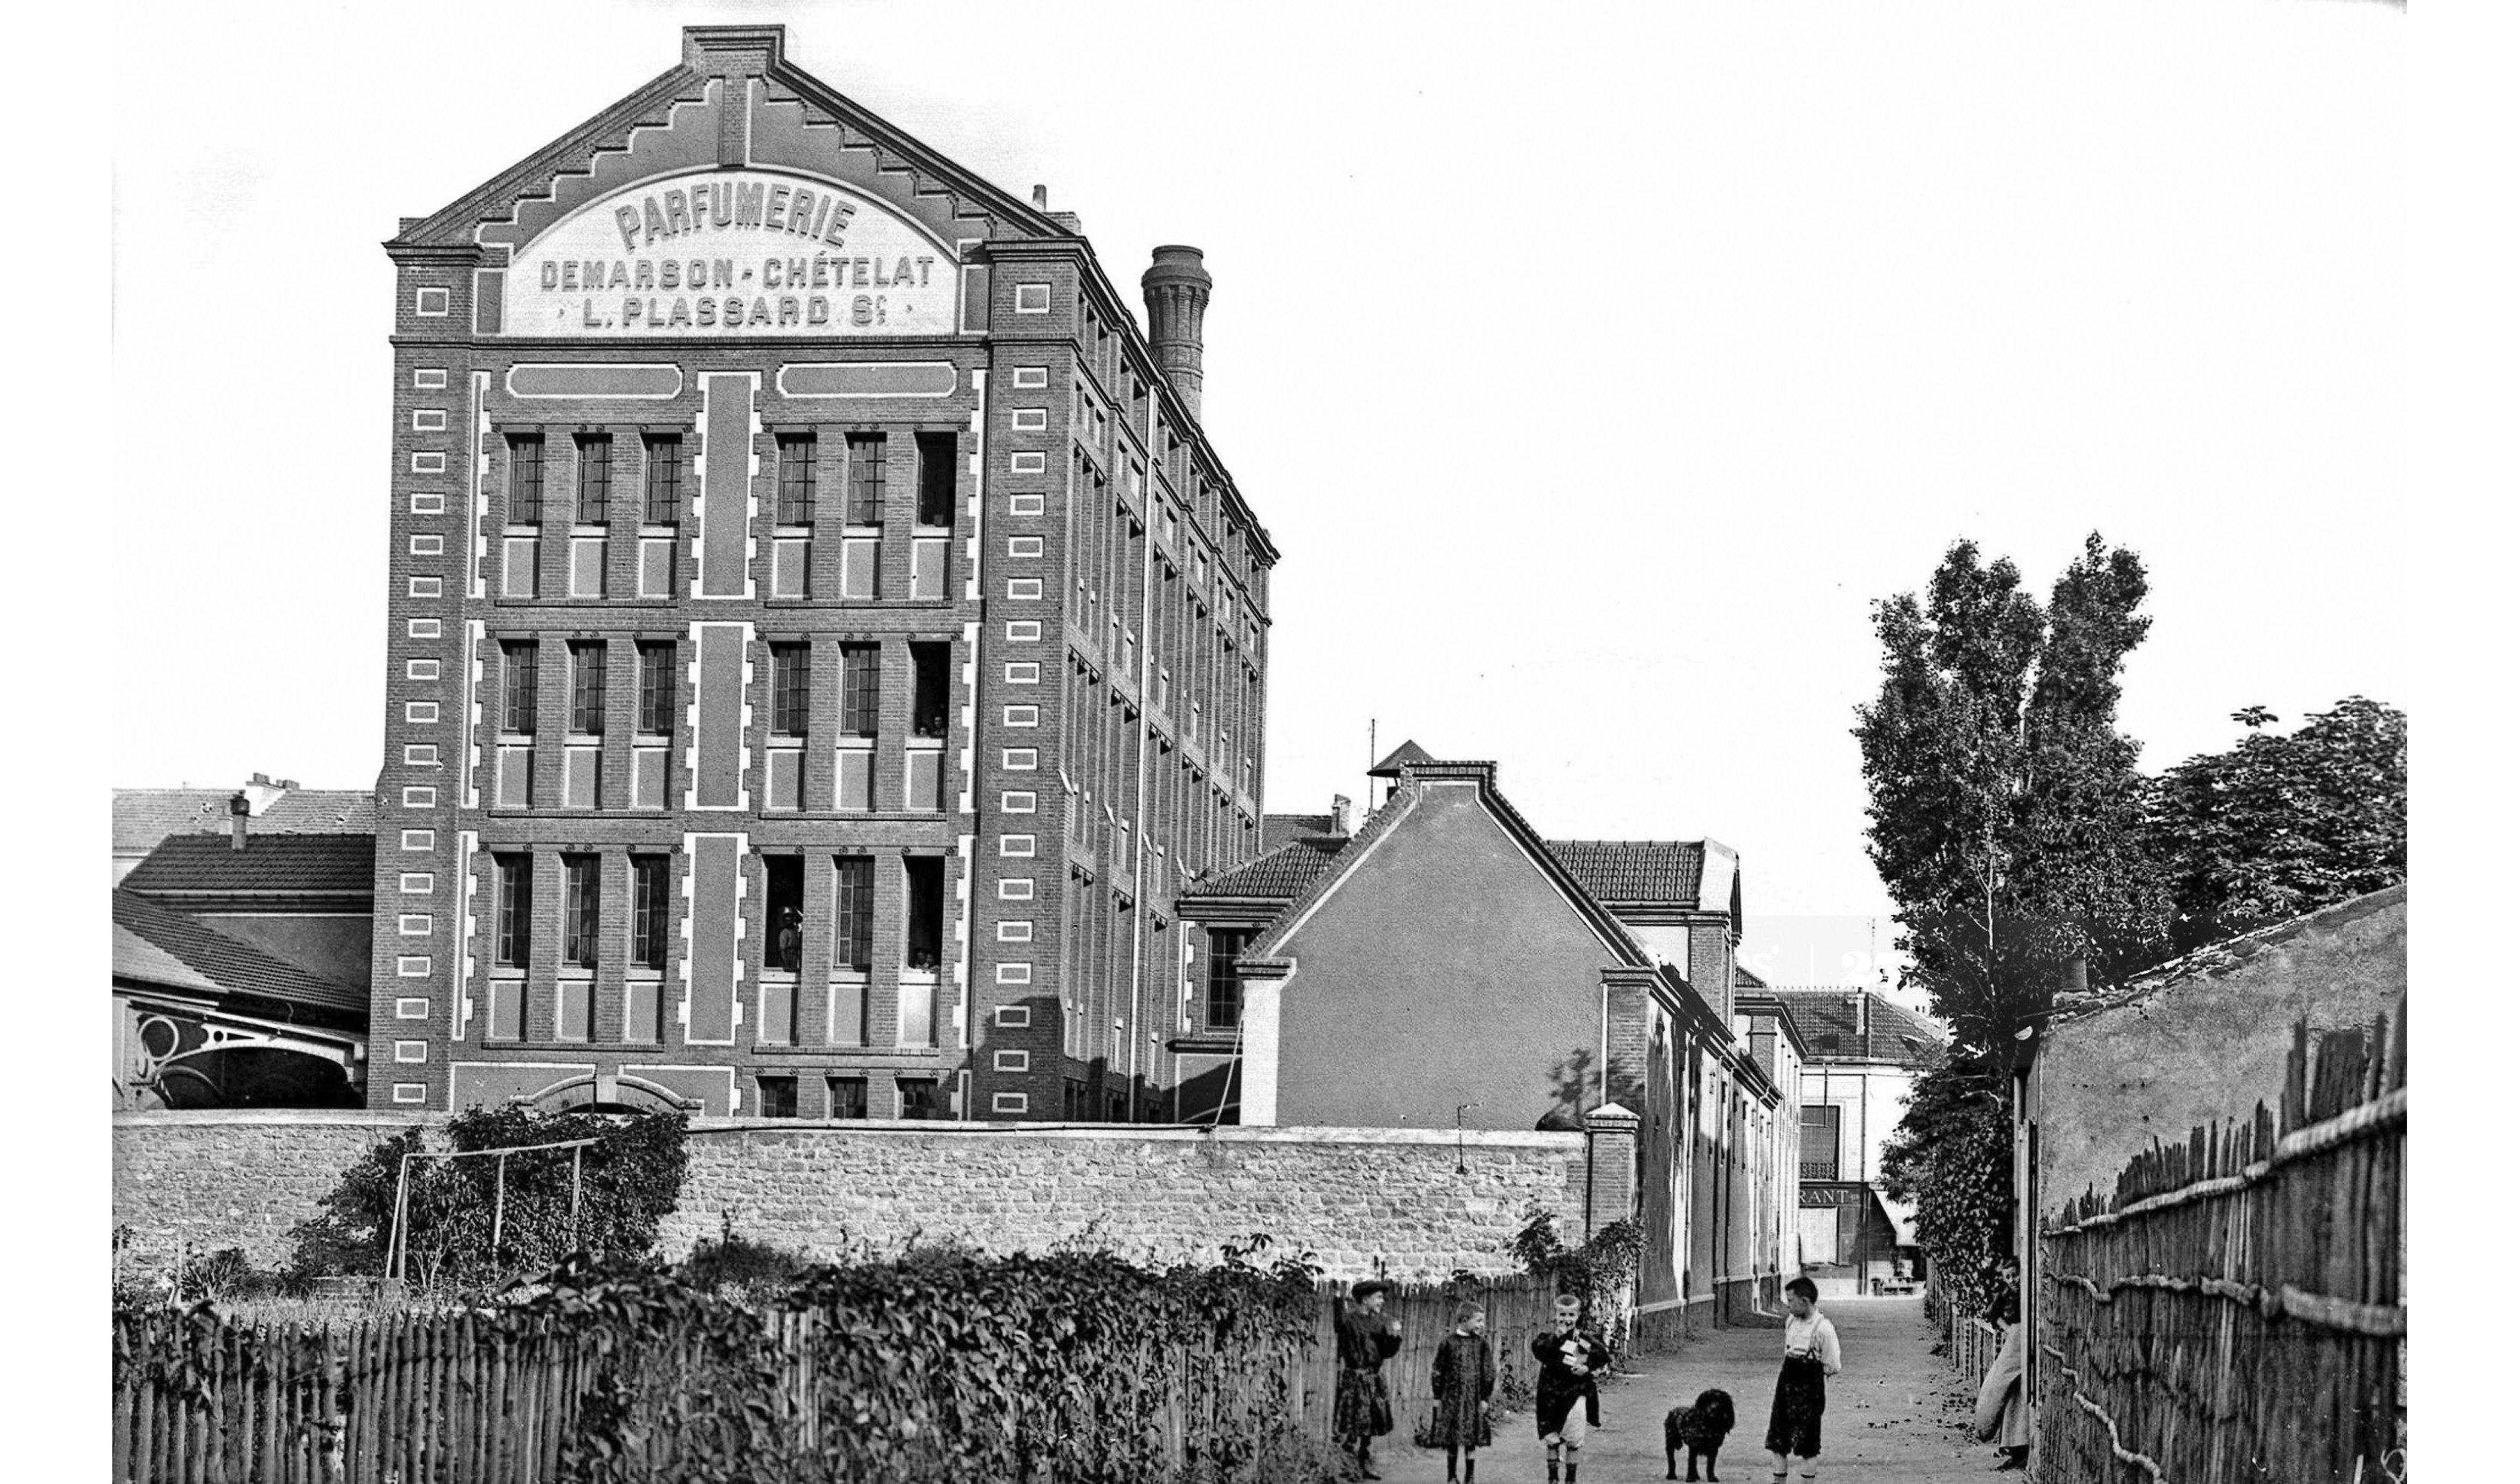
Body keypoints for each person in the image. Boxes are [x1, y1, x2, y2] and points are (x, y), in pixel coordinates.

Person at [1765, 1276, 1843, 1483]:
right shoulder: (1790, 1322)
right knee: (1777, 1439)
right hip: (1786, 1384)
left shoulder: (1824, 1328)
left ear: (1805, 1301)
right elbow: (1787, 1352)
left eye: (1791, 1301)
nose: (1788, 1306)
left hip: (1810, 1389)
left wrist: (1813, 1373)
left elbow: (1833, 1365)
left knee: (1808, 1444)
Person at [1531, 1293, 1612, 1484]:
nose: (1566, 1320)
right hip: (1550, 1394)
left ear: (1577, 1317)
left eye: (1571, 1315)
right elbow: (1539, 1351)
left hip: (1575, 1393)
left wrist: (1587, 1367)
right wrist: (1554, 1338)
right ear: (1555, 1315)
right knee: (1552, 1436)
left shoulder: (1581, 1339)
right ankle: (1553, 1478)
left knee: (1574, 1437)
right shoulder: (1547, 1339)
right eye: (1562, 1315)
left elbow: (1602, 1355)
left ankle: (1571, 1478)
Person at [1336, 1279, 1404, 1478]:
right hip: (1355, 1378)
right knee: (1354, 1423)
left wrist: (1395, 1335)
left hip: (1374, 1378)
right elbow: (1340, 1327)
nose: (1382, 1301)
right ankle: (1348, 1465)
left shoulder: (1379, 1322)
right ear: (1365, 1300)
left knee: (1371, 1423)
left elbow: (1387, 1352)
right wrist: (1338, 1298)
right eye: (1378, 1298)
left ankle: (1364, 1462)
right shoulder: (1349, 1322)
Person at [1429, 1301, 1496, 1483]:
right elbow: (1438, 1371)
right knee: (1452, 1437)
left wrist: (1484, 1397)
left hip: (1473, 1398)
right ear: (1464, 1320)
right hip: (1452, 1398)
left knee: (1471, 1437)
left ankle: (1470, 1475)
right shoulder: (1448, 1343)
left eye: (1483, 1321)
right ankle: (1451, 1476)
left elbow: (1488, 1372)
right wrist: (1437, 1396)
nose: (1482, 1325)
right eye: (1478, 1321)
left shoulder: (1481, 1344)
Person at [1972, 1288, 2030, 1470]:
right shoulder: (2003, 1290)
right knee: (2007, 1389)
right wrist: (2010, 1329)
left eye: (2014, 1275)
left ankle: (2019, 1448)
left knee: (2019, 1393)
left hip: (2025, 1336)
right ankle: (2015, 1448)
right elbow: (1991, 1312)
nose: (2013, 1279)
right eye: (2009, 1276)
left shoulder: (2022, 1285)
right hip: (2018, 1337)